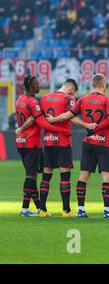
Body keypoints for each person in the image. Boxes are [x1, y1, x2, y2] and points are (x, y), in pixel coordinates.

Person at [46, 74, 109, 219]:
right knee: (106, 176)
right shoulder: (106, 100)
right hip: (104, 142)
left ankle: (80, 209)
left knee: (83, 176)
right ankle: (107, 211)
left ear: (92, 84)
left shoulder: (83, 99)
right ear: (104, 85)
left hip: (89, 142)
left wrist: (53, 119)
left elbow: (68, 115)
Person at [15, 75, 71, 217]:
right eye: (37, 84)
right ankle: (25, 209)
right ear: (31, 86)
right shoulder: (33, 102)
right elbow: (44, 124)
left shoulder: (19, 99)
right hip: (31, 142)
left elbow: (28, 120)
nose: (39, 86)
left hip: (21, 141)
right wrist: (62, 130)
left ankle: (40, 208)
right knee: (30, 175)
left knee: (32, 174)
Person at [38, 79, 96, 217]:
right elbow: (72, 117)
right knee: (65, 175)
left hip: (48, 141)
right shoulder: (68, 98)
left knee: (46, 176)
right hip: (62, 141)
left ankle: (42, 210)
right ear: (71, 89)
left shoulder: (45, 98)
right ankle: (66, 210)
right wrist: (87, 125)